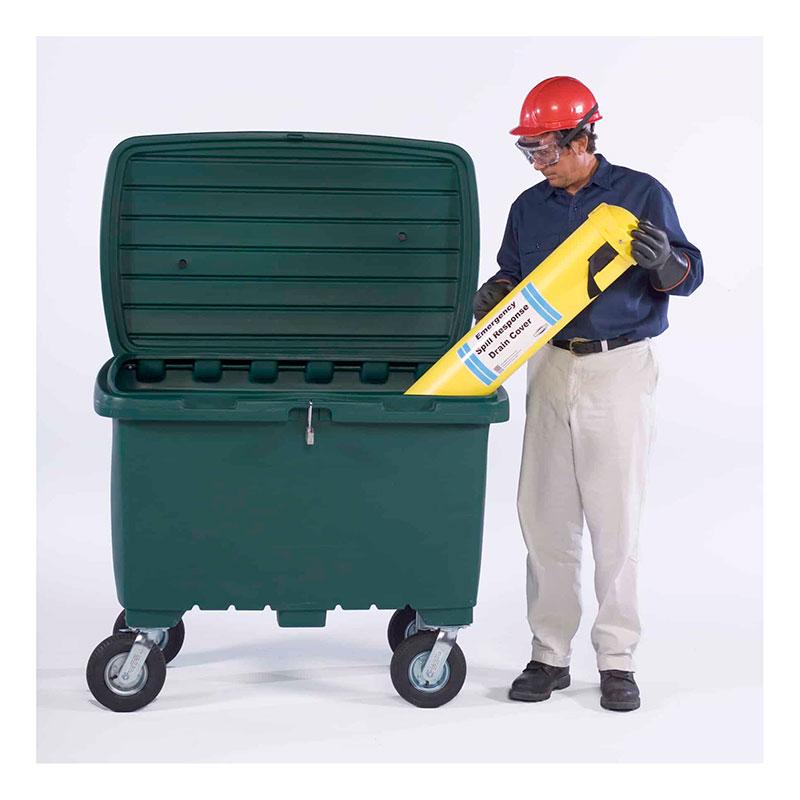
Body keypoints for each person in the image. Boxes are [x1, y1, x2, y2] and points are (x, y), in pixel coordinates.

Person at [473, 76, 703, 712]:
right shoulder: (529, 208)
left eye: (546, 148)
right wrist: (494, 295)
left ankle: (617, 659)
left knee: (615, 520)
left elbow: (689, 275)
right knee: (544, 516)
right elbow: (513, 277)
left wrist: (665, 263)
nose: (539, 162)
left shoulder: (639, 194)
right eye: (529, 151)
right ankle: (549, 654)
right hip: (548, 367)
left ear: (583, 137)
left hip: (617, 369)